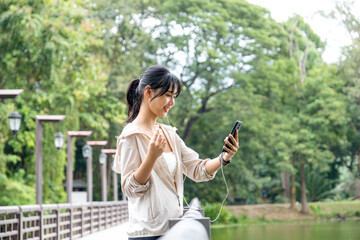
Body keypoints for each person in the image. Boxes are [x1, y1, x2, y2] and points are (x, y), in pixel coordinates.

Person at [112, 66, 239, 240]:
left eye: (174, 97)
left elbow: (197, 169)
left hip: (174, 228)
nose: (172, 102)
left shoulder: (169, 134)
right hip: (148, 233)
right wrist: (151, 157)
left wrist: (224, 158)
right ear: (148, 92)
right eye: (168, 95)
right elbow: (130, 189)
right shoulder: (131, 135)